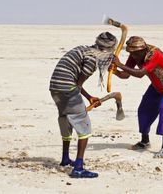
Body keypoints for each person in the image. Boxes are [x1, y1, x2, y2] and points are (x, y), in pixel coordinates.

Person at [49, 32, 117, 177]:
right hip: (67, 89)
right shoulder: (92, 60)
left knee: (66, 120)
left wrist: (89, 98)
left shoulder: (83, 49)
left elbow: (75, 83)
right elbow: (78, 85)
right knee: (84, 127)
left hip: (55, 88)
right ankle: (78, 168)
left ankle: (65, 159)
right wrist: (84, 99)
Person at [111, 36, 163, 158]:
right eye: (131, 53)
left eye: (136, 53)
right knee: (143, 109)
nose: (134, 56)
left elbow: (140, 73)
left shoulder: (154, 55)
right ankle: (145, 141)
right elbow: (126, 74)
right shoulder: (134, 55)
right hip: (156, 86)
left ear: (142, 50)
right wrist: (114, 71)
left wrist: (120, 64)